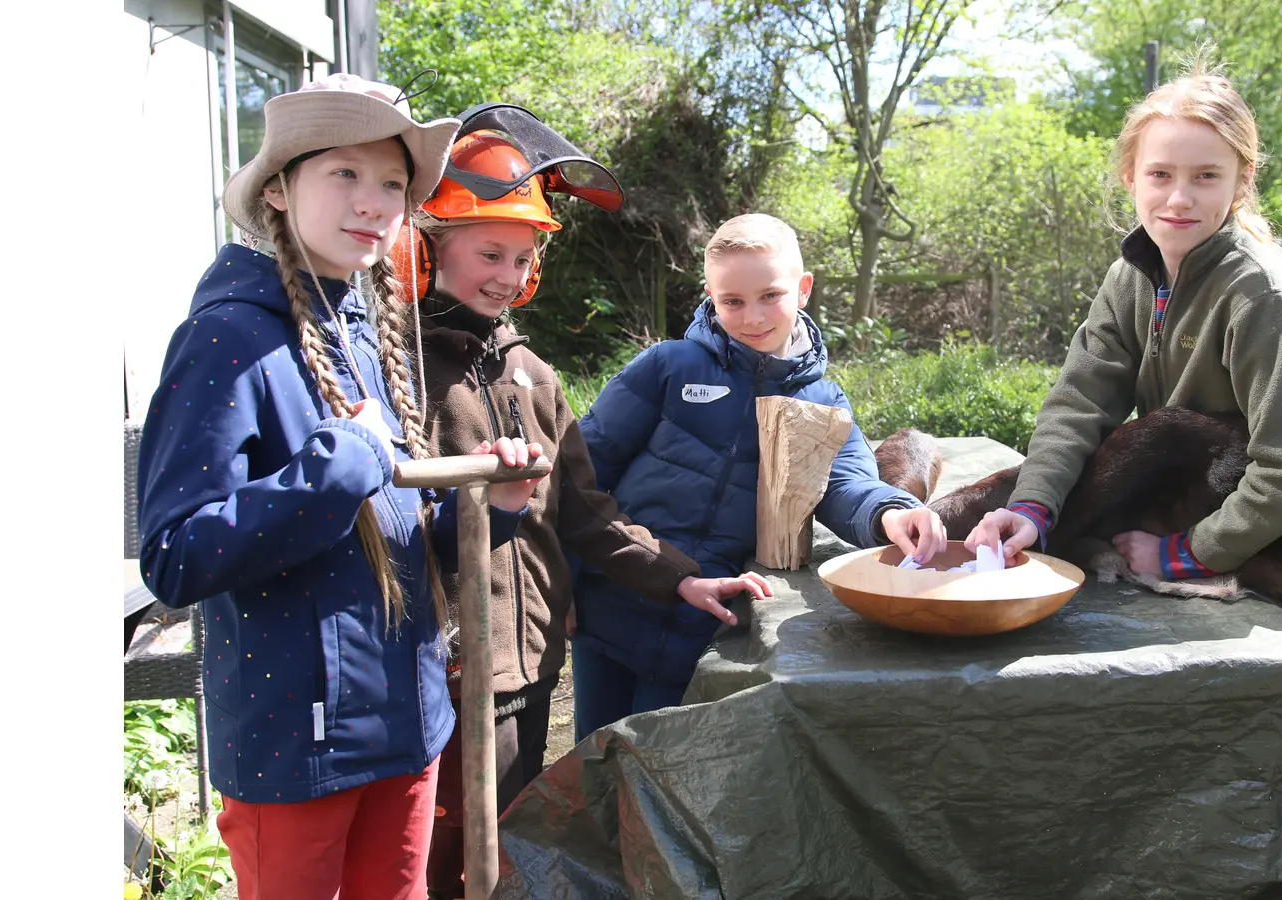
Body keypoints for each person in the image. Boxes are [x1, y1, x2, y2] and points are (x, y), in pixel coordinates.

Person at [135, 74, 543, 900]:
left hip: (408, 721)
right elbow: (177, 557)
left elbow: (397, 542)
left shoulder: (365, 336)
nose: (373, 202)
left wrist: (492, 510)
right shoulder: (226, 338)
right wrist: (340, 460)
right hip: (297, 746)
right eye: (344, 175)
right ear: (280, 191)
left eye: (392, 183)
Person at [396, 108, 772, 900]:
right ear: (424, 249)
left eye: (522, 256)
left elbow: (587, 513)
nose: (506, 273)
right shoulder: (404, 373)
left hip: (528, 659)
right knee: (438, 848)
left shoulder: (532, 374)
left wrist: (678, 577)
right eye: (488, 251)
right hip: (446, 664)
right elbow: (394, 529)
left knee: (513, 833)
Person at [966, 52, 1282, 582]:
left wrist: (1189, 552)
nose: (1179, 198)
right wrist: (1032, 506)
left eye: (1206, 176)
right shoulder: (1129, 279)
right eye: (1160, 174)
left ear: (1241, 181)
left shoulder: (1259, 296)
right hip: (1179, 486)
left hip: (1256, 528)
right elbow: (1079, 404)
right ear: (1131, 178)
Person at [569, 212, 947, 740]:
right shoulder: (668, 367)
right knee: (593, 751)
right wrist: (564, 577)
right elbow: (581, 469)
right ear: (710, 296)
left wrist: (892, 513)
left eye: (771, 295)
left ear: (804, 288)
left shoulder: (823, 399)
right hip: (613, 597)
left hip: (707, 620)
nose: (752, 317)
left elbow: (843, 484)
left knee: (662, 764)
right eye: (733, 302)